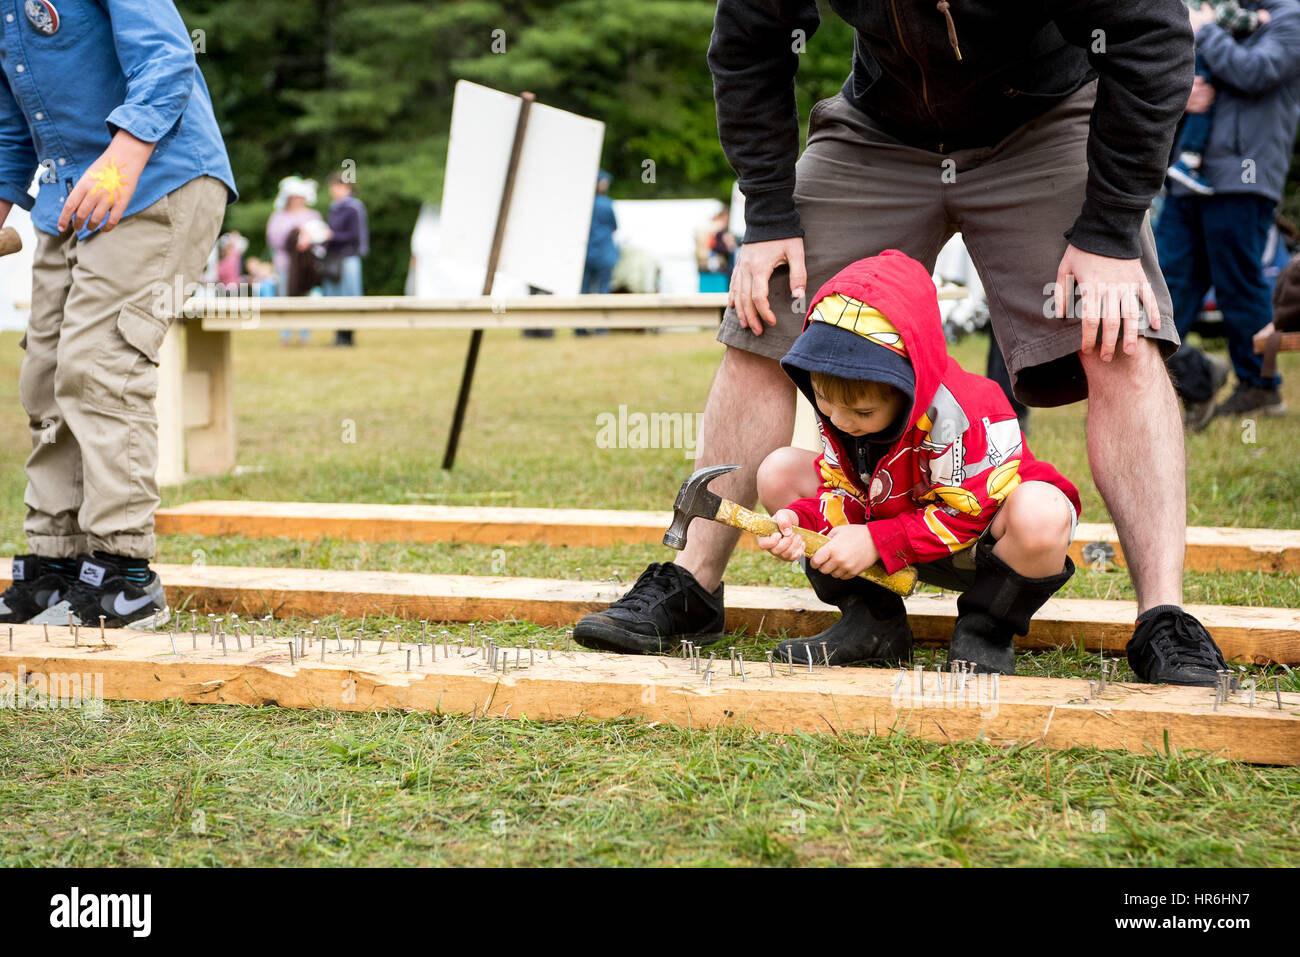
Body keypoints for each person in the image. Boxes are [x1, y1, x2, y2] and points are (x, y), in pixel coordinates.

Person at [576, 0, 1232, 687]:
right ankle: (692, 581)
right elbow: (748, 41)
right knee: (769, 307)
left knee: (1119, 329)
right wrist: (769, 210)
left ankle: (1165, 614)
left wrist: (1110, 227)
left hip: (1043, 118)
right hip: (881, 125)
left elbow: (1153, 37)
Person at [0, 0, 236, 627]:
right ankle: (57, 566)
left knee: (100, 367)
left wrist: (122, 157)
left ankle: (124, 577)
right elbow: (9, 125)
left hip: (158, 176)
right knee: (47, 379)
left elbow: (167, 57)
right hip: (70, 196)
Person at [754, 252, 1079, 673]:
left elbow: (969, 515)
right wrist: (803, 522)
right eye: (827, 406)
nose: (843, 423)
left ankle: (984, 633)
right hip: (901, 531)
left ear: (908, 385)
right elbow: (841, 491)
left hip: (983, 547)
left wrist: (875, 541)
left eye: (863, 414)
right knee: (778, 470)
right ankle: (874, 623)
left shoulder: (966, 412)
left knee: (1041, 512)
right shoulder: (843, 413)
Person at [1158, 0, 1300, 427]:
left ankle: (1263, 386)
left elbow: (1256, 71)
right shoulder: (1227, 12)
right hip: (1190, 175)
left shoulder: (1290, 17)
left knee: (1241, 285)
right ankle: (1178, 383)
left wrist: (1206, 30)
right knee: (1164, 284)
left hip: (1246, 174)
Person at [1166, 1, 1270, 195]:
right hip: (1201, 54)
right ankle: (1187, 161)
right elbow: (1227, 15)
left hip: (1183, 52)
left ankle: (1165, 166)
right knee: (1203, 105)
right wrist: (1257, 19)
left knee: (1185, 109)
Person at [266, 176, 321, 345]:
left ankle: (305, 334)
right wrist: (295, 236)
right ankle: (286, 334)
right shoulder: (279, 216)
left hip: (306, 266)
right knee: (285, 298)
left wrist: (308, 239)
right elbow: (273, 238)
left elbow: (320, 235)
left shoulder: (313, 215)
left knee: (306, 297)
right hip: (286, 264)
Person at [321, 172, 368, 347]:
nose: (334, 190)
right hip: (334, 258)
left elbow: (354, 236)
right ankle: (338, 336)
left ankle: (348, 337)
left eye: (337, 186)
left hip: (348, 258)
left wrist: (332, 235)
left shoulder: (354, 208)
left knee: (349, 296)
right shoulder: (334, 208)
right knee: (334, 296)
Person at [696, 204, 738, 292]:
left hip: (704, 268)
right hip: (718, 270)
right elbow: (717, 246)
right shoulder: (718, 229)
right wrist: (730, 245)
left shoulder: (703, 228)